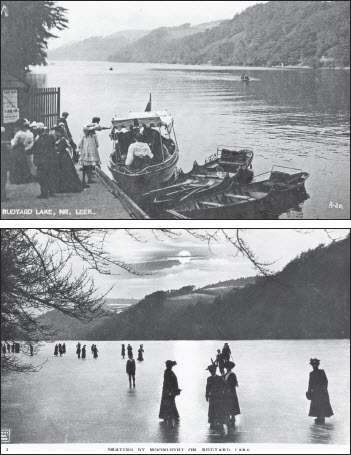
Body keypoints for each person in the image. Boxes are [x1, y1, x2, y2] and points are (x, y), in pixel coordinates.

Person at [31, 122, 58, 198]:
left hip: (42, 162)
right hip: (51, 160)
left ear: (39, 130)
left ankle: (44, 193)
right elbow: (53, 148)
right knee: (50, 176)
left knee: (42, 177)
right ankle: (52, 191)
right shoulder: (51, 137)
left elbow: (34, 150)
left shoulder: (38, 139)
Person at [54, 126, 83, 193]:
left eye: (57, 132)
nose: (55, 133)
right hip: (62, 156)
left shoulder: (63, 140)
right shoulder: (59, 139)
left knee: (65, 171)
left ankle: (65, 187)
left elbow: (60, 149)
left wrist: (55, 149)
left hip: (63, 157)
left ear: (60, 133)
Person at [306, 358, 333, 424]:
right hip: (317, 393)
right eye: (313, 365)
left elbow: (325, 381)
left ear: (317, 365)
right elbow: (310, 384)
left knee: (321, 406)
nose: (314, 366)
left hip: (321, 393)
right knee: (319, 406)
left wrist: (324, 390)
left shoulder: (321, 372)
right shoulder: (312, 373)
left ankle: (320, 420)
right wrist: (309, 391)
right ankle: (320, 419)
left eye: (315, 365)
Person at [9, 118, 32, 184]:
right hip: (22, 149)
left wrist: (12, 141)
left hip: (17, 149)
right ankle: (24, 179)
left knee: (16, 165)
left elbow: (14, 143)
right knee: (23, 164)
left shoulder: (18, 134)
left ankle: (16, 180)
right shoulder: (27, 133)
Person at [206, 364, 226, 430]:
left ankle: (219, 422)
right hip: (212, 397)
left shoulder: (220, 378)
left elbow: (223, 386)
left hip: (218, 396)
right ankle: (213, 422)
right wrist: (206, 396)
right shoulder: (209, 378)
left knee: (219, 409)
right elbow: (207, 388)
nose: (211, 372)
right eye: (210, 371)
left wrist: (222, 394)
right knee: (212, 410)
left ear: (214, 371)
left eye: (212, 371)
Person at [223, 361, 240, 426]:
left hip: (231, 392)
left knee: (231, 404)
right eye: (227, 367)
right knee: (228, 404)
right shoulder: (226, 374)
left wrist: (226, 383)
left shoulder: (232, 374)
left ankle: (232, 418)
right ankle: (229, 418)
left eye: (229, 367)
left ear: (231, 367)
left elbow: (233, 383)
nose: (228, 368)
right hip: (227, 391)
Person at [1, 126, 12, 201]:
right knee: (3, 180)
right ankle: (2, 196)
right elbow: (10, 148)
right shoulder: (3, 143)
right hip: (2, 164)